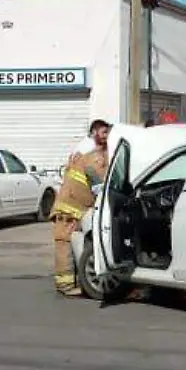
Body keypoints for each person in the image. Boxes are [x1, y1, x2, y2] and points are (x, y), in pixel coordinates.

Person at [49, 119, 111, 297]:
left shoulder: (86, 150)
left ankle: (70, 282)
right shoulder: (92, 155)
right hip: (69, 207)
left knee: (68, 243)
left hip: (72, 205)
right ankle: (65, 286)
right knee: (64, 243)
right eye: (103, 132)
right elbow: (99, 184)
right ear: (94, 133)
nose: (106, 136)